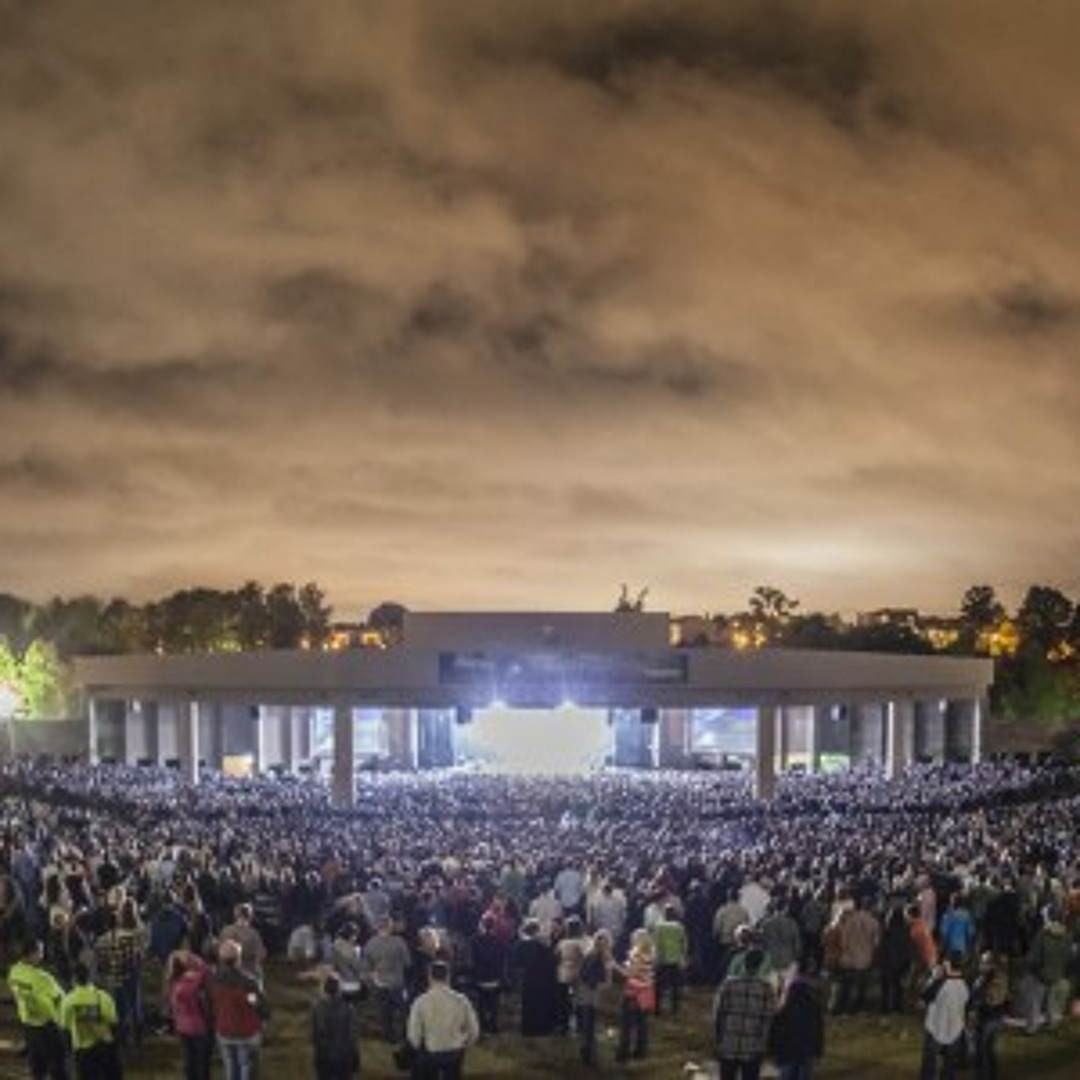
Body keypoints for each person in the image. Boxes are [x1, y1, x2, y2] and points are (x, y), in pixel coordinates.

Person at [406, 959, 480, 1080]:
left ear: (429, 977)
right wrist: (465, 1043)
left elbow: (414, 1036)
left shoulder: (421, 1001)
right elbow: (474, 1031)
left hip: (431, 1052)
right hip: (455, 1052)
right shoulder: (461, 1000)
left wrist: (417, 1048)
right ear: (448, 976)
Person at [8, 938, 70, 1080]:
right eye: (40, 951)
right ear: (32, 954)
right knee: (58, 1064)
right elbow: (61, 999)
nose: (42, 954)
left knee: (37, 1066)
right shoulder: (43, 978)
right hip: (49, 1024)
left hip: (28, 1023)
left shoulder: (13, 972)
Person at [208, 939, 270, 1080]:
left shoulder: (212, 979)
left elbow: (209, 1004)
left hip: (223, 1030)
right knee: (246, 1067)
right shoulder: (248, 983)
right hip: (246, 1032)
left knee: (230, 1066)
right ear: (238, 959)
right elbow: (258, 1004)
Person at [714, 946, 777, 1080]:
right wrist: (765, 1044)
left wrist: (718, 1038)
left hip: (729, 1042)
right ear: (761, 965)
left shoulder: (729, 984)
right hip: (753, 1046)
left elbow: (719, 1013)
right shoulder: (766, 988)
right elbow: (768, 1019)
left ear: (743, 963)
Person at [59, 961, 123, 1080]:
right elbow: (114, 1026)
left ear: (74, 979)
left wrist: (71, 1052)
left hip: (83, 1053)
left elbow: (65, 1030)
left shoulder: (67, 1001)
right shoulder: (104, 997)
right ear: (90, 977)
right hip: (105, 1050)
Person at [768, 961, 824, 1080]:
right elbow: (819, 1030)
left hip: (787, 1053)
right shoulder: (814, 1004)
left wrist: (772, 1051)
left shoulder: (783, 1005)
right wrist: (818, 1052)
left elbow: (775, 1029)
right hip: (807, 1052)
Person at [362, 914, 412, 1043]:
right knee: (402, 1011)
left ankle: (389, 1036)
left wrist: (373, 978)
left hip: (380, 983)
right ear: (390, 926)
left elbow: (366, 966)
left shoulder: (370, 943)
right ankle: (405, 1036)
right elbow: (408, 963)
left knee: (385, 1012)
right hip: (397, 983)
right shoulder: (399, 942)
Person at [920, 952, 970, 1080]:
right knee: (949, 1067)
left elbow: (925, 996)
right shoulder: (965, 984)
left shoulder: (941, 983)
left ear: (948, 964)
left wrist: (934, 978)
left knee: (929, 1065)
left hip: (935, 1027)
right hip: (955, 1029)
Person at [168, 950, 213, 1080]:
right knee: (202, 1060)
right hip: (199, 1027)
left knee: (189, 1059)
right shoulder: (198, 983)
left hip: (182, 1027)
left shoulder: (174, 982)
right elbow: (206, 1007)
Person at [615, 927, 656, 1064]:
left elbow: (630, 974)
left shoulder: (636, 953)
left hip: (633, 992)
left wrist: (614, 966)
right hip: (646, 992)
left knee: (626, 1025)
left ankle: (622, 1054)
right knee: (642, 1024)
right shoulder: (651, 952)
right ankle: (640, 1051)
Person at [310, 972, 360, 1079]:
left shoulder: (318, 1008)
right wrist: (355, 1055)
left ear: (324, 990)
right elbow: (353, 1036)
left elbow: (316, 1035)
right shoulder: (349, 1009)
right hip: (344, 1057)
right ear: (339, 990)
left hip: (324, 1056)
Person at [968, 951, 1009, 1080]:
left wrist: (977, 1002)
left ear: (991, 964)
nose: (981, 964)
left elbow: (991, 998)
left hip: (989, 1018)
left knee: (983, 1052)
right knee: (990, 1052)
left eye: (984, 962)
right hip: (993, 1018)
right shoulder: (991, 976)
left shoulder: (993, 978)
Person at [577, 928, 614, 1067]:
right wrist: (600, 984)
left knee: (590, 1024)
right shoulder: (597, 956)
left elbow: (609, 972)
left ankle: (588, 1052)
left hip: (589, 993)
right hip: (589, 994)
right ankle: (587, 1055)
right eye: (601, 941)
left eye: (604, 942)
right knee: (589, 1025)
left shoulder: (596, 954)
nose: (602, 944)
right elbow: (587, 975)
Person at [651, 903, 689, 1015]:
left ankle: (657, 1008)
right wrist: (683, 956)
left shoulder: (659, 926)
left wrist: (656, 958)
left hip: (662, 959)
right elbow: (684, 944)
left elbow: (656, 943)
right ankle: (674, 1008)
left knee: (659, 985)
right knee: (674, 986)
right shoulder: (679, 927)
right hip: (675, 959)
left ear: (664, 914)